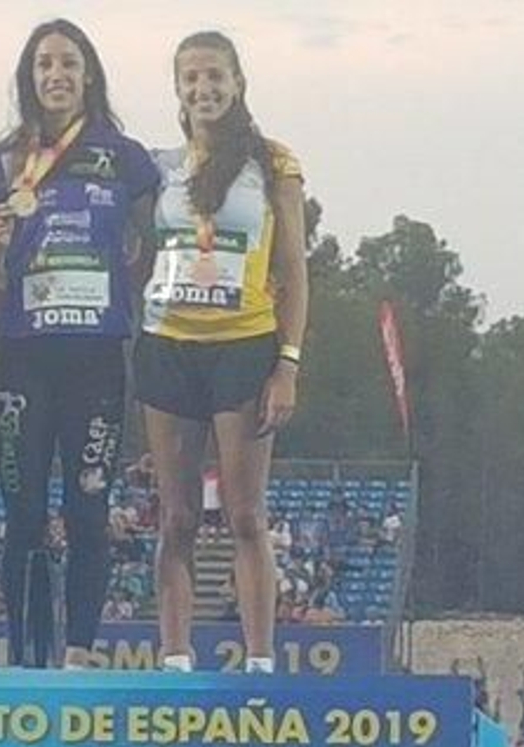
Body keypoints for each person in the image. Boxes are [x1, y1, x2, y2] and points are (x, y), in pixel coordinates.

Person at [0, 19, 158, 669]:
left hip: (98, 357)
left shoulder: (125, 155)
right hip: (23, 355)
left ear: (89, 75)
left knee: (88, 507)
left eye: (68, 63)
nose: (55, 75)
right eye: (43, 64)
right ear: (28, 78)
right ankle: (26, 655)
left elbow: (160, 233)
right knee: (22, 513)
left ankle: (79, 652)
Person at [138, 31, 309, 673]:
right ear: (178, 90)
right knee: (177, 516)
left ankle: (260, 659)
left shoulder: (273, 164)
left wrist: (287, 363)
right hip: (168, 346)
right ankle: (175, 657)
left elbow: (294, 269)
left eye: (215, 77)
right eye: (191, 79)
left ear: (237, 83)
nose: (203, 89)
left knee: (243, 512)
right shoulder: (159, 167)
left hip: (244, 346)